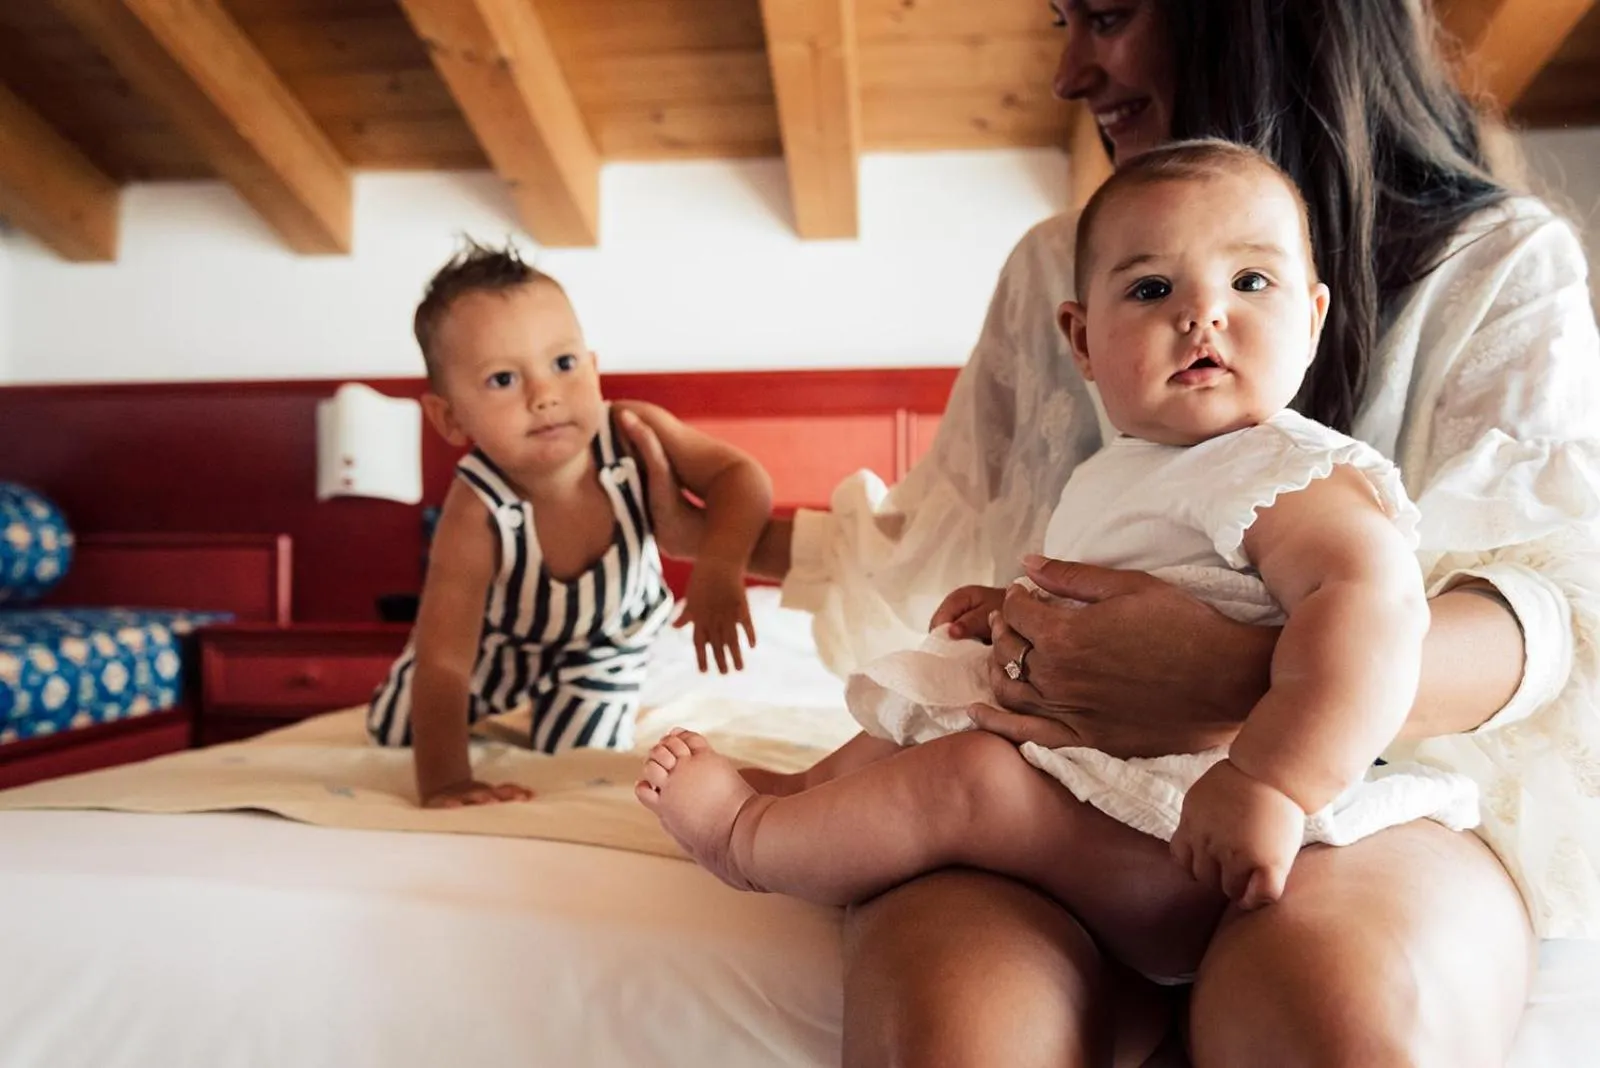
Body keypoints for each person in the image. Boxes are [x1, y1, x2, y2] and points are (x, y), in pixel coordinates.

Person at [627, 0, 1600, 1063]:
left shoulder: (1493, 264)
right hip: (1073, 778)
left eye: (1101, 14)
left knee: (1324, 1006)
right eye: (1146, 290)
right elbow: (955, 534)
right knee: (958, 1021)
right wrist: (728, 535)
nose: (1066, 74)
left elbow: (1553, 615)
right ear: (1084, 338)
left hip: (1370, 786)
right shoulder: (1059, 267)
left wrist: (1240, 684)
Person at [638, 141, 1483, 983]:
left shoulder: (1289, 471)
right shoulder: (1130, 469)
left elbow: (1377, 612)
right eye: (1153, 290)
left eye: (1250, 283)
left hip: (1189, 838)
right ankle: (802, 797)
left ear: (1311, 319)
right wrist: (1013, 607)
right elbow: (1164, 585)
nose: (1202, 316)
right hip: (1110, 804)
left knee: (968, 778)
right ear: (1082, 342)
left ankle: (747, 845)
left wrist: (1273, 782)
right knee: (944, 681)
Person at [367, 243, 772, 810]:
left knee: (579, 756)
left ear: (594, 368)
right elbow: (447, 659)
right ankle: (437, 714)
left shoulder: (633, 434)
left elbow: (740, 476)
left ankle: (562, 707)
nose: (545, 395)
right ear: (449, 417)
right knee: (397, 726)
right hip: (500, 644)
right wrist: (448, 783)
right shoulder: (477, 506)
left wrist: (719, 567)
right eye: (504, 379)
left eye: (563, 364)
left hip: (605, 644)